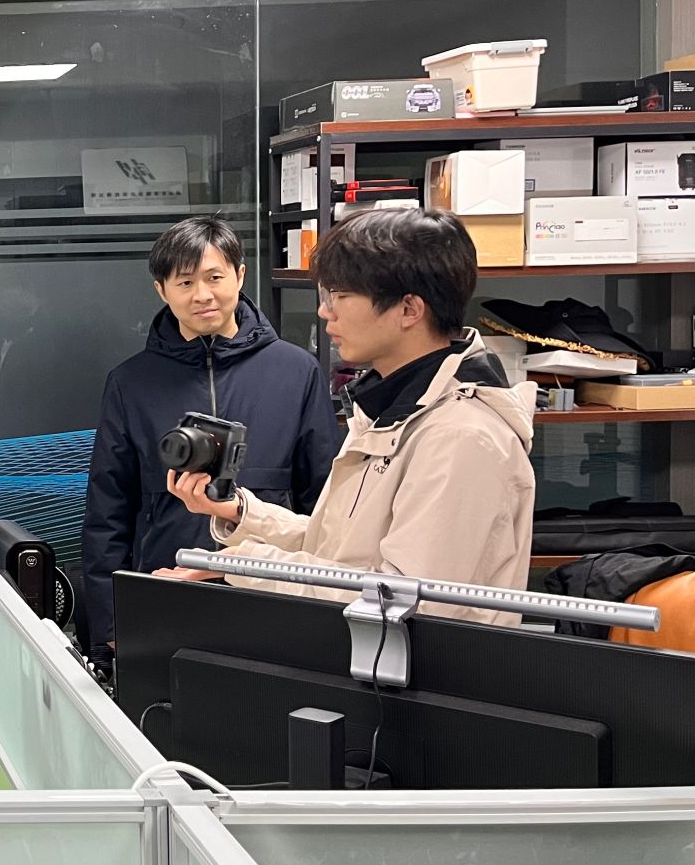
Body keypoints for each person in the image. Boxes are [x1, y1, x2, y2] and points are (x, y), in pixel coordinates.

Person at [163, 206, 533, 618]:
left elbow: (404, 601)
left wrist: (240, 565)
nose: (326, 311)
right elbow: (338, 546)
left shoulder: (460, 436)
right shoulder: (389, 408)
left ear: (409, 310)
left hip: (400, 658)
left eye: (341, 296)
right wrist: (241, 512)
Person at [81, 216, 340, 655]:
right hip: (166, 589)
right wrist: (111, 622)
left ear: (240, 275)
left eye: (214, 277)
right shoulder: (131, 382)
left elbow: (323, 496)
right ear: (162, 290)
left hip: (275, 593)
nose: (201, 294)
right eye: (185, 282)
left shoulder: (296, 371)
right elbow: (108, 510)